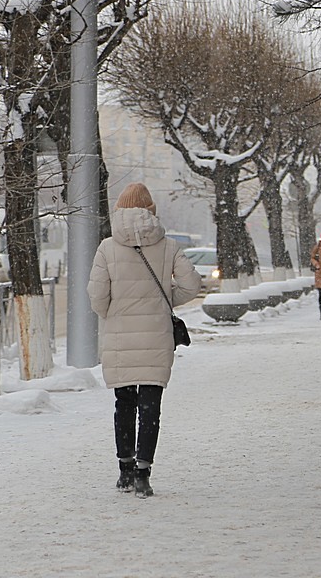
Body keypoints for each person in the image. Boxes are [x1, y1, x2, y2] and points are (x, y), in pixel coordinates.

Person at [88, 182, 200, 498]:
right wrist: (162, 301)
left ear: (118, 211)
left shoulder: (107, 248)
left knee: (124, 403)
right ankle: (142, 474)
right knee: (150, 407)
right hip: (156, 337)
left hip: (119, 338)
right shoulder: (169, 246)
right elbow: (192, 285)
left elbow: (97, 296)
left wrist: (113, 312)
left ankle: (124, 470)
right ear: (151, 211)